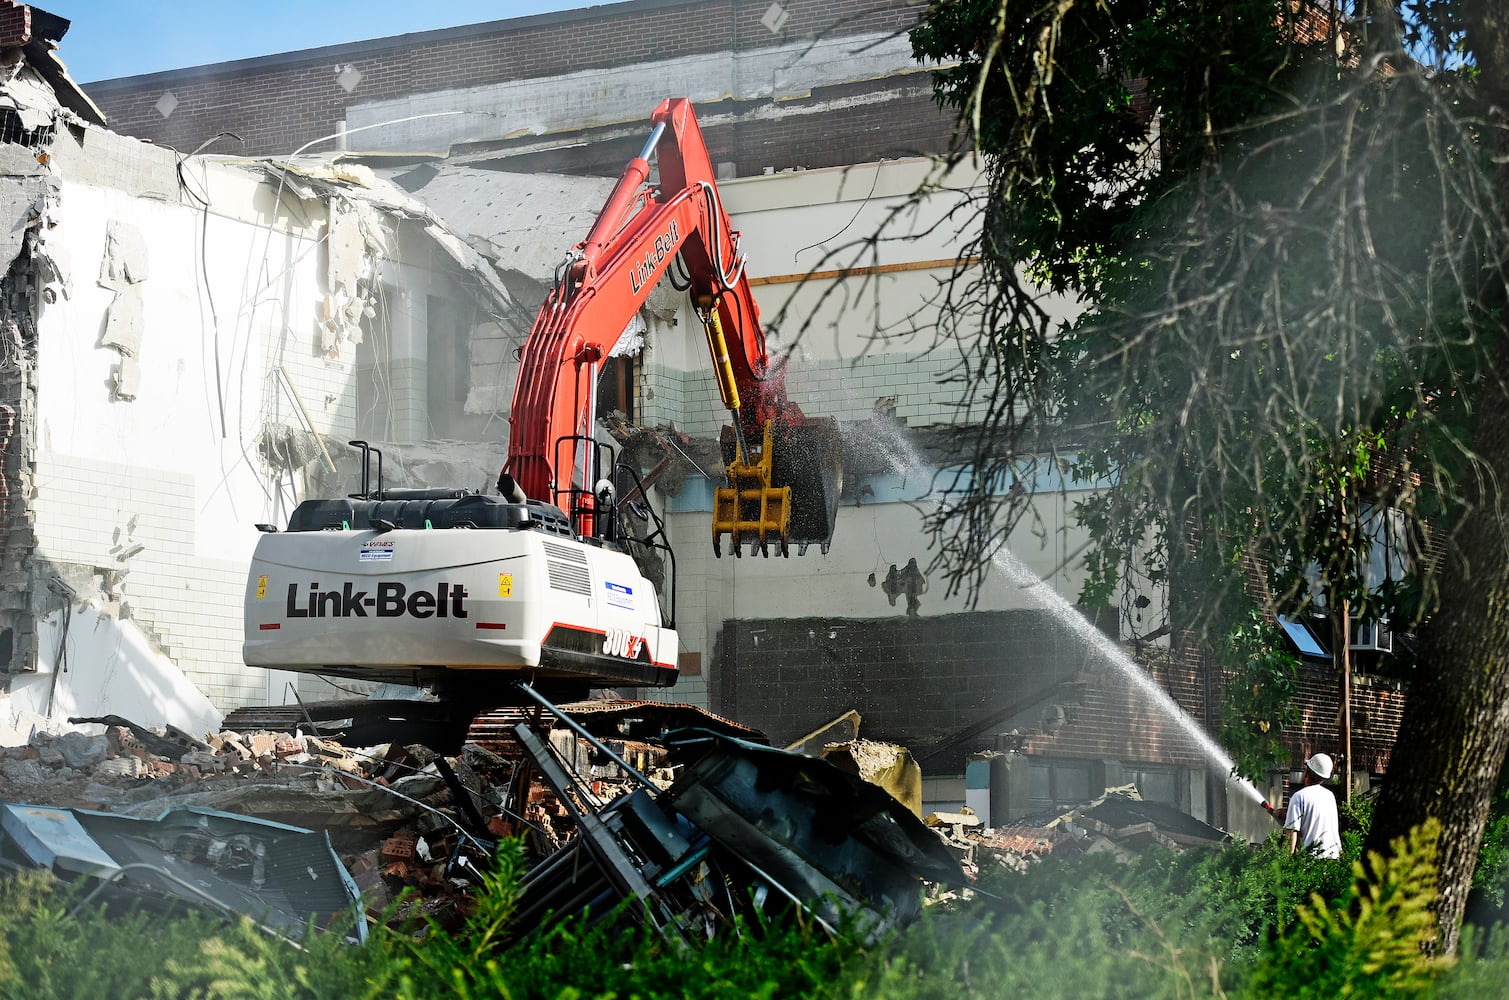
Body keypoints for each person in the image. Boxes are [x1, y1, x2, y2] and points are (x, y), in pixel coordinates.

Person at [1285, 752, 1342, 859]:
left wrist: (1289, 863)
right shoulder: (1330, 796)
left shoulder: (1298, 796)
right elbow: (1316, 819)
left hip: (1311, 860)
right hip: (1333, 858)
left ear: (1307, 772)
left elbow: (1292, 832)